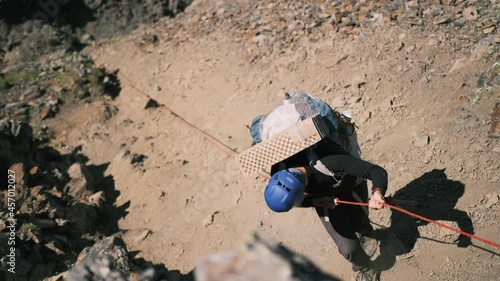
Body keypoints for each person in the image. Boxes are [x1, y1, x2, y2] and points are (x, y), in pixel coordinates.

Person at [264, 135, 387, 281]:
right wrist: (316, 201)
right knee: (348, 249)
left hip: (351, 187)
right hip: (324, 200)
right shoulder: (279, 170)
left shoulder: (330, 161)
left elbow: (376, 171)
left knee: (359, 222)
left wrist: (377, 193)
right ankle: (364, 266)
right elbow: (299, 200)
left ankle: (365, 231)